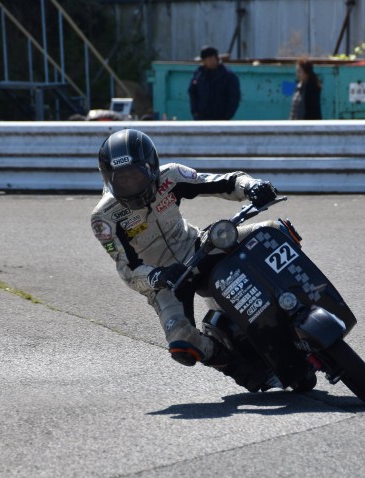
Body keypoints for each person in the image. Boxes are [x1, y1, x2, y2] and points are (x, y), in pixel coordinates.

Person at [90, 129, 280, 391]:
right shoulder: (104, 217)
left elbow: (224, 181)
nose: (130, 184)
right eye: (121, 179)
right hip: (162, 279)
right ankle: (240, 368)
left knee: (273, 231)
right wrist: (156, 276)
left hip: (197, 247)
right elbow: (128, 270)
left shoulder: (171, 176)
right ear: (108, 179)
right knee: (182, 342)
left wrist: (251, 186)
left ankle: (301, 295)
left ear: (151, 167)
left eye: (135, 174)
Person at [188, 46, 241, 120]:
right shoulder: (199, 74)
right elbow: (192, 92)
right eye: (204, 60)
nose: (207, 62)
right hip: (201, 118)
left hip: (220, 118)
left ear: (215, 58)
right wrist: (195, 112)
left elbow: (234, 97)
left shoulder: (228, 76)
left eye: (209, 58)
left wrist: (226, 116)